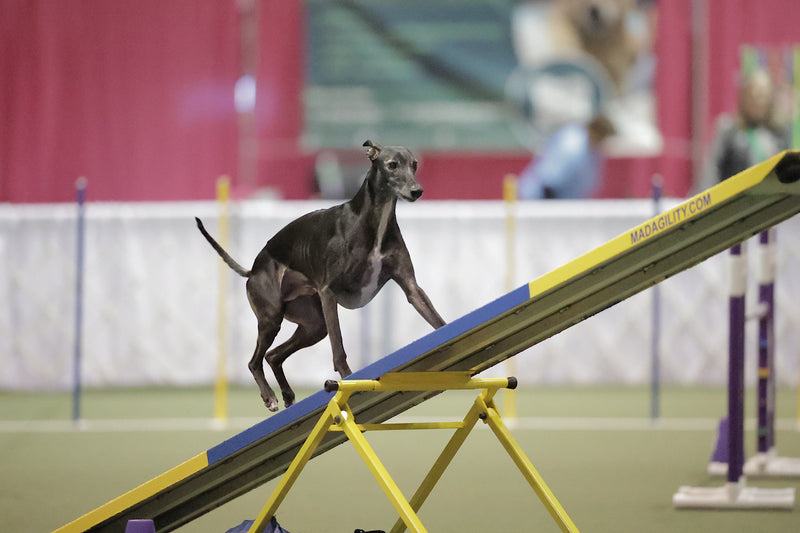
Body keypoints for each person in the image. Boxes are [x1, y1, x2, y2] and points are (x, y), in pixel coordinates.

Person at [707, 68, 791, 185]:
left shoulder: (780, 134)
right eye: (756, 95)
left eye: (765, 96)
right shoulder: (729, 130)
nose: (760, 101)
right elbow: (711, 172)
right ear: (745, 96)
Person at [518, 114, 616, 199]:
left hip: (565, 203)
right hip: (541, 200)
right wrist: (551, 210)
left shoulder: (592, 150)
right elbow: (550, 182)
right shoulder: (572, 146)